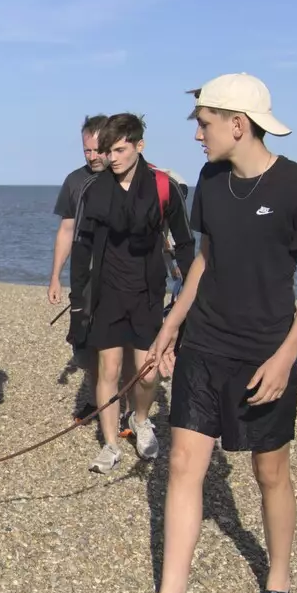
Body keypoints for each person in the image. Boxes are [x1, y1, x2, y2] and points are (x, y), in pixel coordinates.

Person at [109, 74, 297, 593]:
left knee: (269, 470)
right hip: (205, 341)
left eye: (204, 124)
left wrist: (285, 357)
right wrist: (170, 327)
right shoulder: (209, 180)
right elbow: (205, 260)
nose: (198, 136)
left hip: (264, 352)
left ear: (239, 124)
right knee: (184, 464)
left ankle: (277, 581)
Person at [69, 113, 195, 474]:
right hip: (106, 293)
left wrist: (189, 292)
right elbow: (81, 247)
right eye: (107, 151)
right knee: (107, 369)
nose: (113, 157)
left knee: (148, 372)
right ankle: (110, 444)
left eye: (121, 149)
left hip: (148, 293)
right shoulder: (93, 190)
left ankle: (140, 419)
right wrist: (78, 302)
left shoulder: (163, 186)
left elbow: (185, 242)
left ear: (139, 146)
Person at [49, 114, 113, 414]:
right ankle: (96, 397)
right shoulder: (75, 181)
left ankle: (116, 404)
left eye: (98, 149)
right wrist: (55, 277)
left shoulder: (125, 177)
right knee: (84, 348)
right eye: (86, 150)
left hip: (118, 277)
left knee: (117, 345)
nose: (93, 156)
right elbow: (65, 230)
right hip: (83, 278)